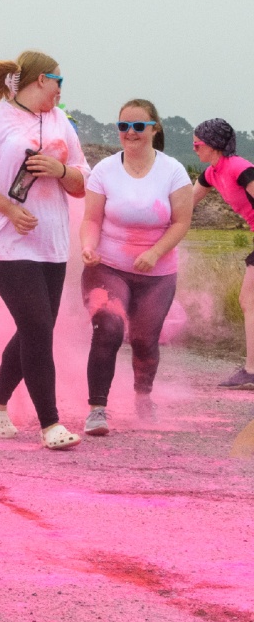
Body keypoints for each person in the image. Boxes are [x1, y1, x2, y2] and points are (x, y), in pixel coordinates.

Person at [0, 50, 89, 450]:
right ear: (39, 80)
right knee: (36, 326)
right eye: (58, 80)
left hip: (52, 241)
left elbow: (82, 182)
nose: (62, 89)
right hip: (4, 242)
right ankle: (51, 425)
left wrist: (61, 170)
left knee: (37, 327)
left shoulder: (61, 121)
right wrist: (11, 210)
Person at [79, 100, 193, 433]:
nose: (130, 133)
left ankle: (143, 398)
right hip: (108, 267)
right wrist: (87, 246)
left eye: (139, 126)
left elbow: (181, 222)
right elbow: (91, 219)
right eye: (123, 126)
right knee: (109, 329)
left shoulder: (172, 171)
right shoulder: (104, 170)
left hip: (156, 273)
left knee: (144, 340)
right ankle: (97, 409)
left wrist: (156, 253)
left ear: (154, 129)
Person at [191, 118, 254, 388]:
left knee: (248, 298)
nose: (195, 149)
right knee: (248, 300)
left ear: (213, 145)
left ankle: (251, 371)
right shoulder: (211, 173)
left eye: (197, 145)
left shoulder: (239, 167)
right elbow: (185, 203)